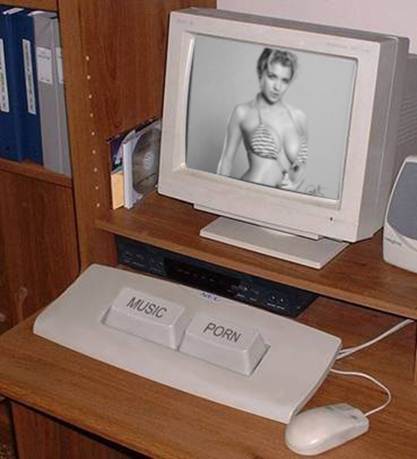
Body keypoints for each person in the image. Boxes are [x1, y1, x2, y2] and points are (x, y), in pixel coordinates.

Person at [216, 48, 308, 189]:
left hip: (280, 200)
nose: (277, 87)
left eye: (284, 80)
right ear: (261, 73)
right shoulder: (243, 112)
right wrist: (219, 195)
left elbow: (301, 167)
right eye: (272, 77)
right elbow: (226, 162)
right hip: (248, 194)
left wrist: (294, 187)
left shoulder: (299, 117)